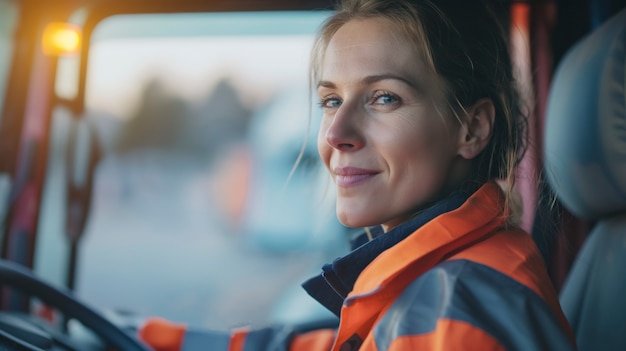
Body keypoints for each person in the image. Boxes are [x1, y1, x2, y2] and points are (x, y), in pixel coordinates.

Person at [138, 0, 577, 350]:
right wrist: (140, 336)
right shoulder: (434, 284)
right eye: (331, 100)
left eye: (384, 98)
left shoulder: (453, 312)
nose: (336, 133)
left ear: (472, 128)